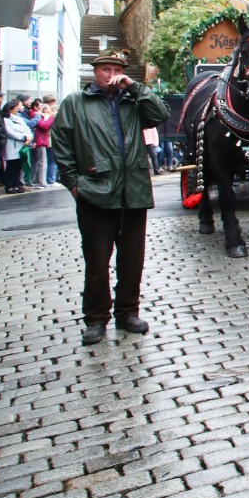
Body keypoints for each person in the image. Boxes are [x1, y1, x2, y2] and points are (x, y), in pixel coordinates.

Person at [54, 49, 170, 346]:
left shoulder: (133, 100)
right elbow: (62, 142)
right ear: (95, 72)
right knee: (97, 260)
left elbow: (161, 114)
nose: (110, 74)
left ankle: (128, 312)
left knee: (132, 259)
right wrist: (73, 184)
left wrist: (133, 86)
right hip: (94, 191)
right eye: (104, 69)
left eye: (115, 69)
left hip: (133, 191)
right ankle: (95, 318)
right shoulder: (76, 103)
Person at [2, 98, 31, 193]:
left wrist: (29, 137)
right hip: (12, 146)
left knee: (18, 167)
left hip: (22, 145)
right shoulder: (6, 120)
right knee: (11, 167)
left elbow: (27, 129)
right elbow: (10, 132)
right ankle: (9, 186)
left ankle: (16, 184)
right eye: (15, 108)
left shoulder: (20, 119)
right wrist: (24, 137)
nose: (17, 110)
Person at [30, 99, 54, 188]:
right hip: (40, 140)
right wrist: (50, 118)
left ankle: (32, 181)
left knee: (37, 162)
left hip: (40, 140)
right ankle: (41, 182)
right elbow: (44, 125)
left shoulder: (36, 114)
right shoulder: (35, 114)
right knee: (42, 162)